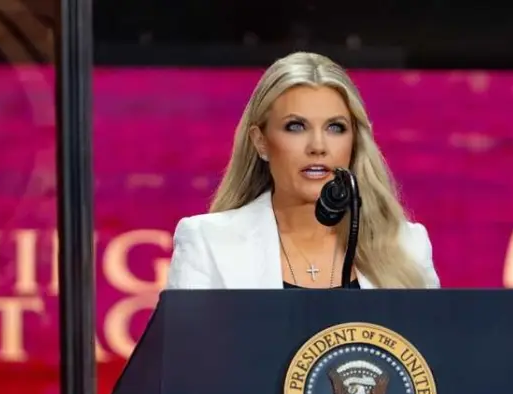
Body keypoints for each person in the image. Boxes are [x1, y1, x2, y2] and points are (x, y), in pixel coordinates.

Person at [164, 51, 440, 290]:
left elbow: (432, 350)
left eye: (335, 128)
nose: (318, 146)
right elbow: (186, 352)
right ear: (261, 141)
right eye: (296, 127)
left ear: (354, 141)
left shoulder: (407, 245)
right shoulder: (208, 242)